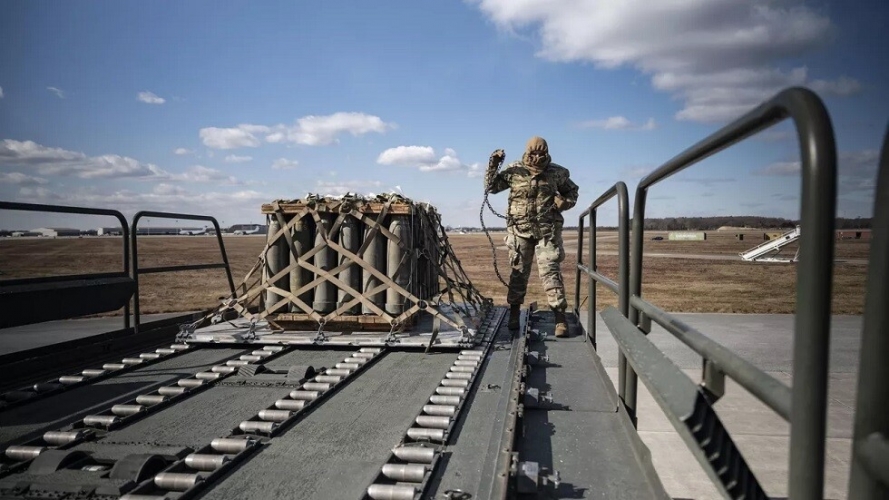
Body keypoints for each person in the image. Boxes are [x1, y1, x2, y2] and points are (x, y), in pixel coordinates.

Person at [485, 136, 579, 337]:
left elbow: (572, 192)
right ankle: (514, 313)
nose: (537, 157)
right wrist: (493, 165)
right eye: (533, 153)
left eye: (541, 153)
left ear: (546, 153)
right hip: (520, 231)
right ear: (527, 152)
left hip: (547, 231)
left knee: (551, 273)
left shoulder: (557, 173)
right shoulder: (514, 171)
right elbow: (491, 188)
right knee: (518, 273)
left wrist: (564, 203)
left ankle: (560, 318)